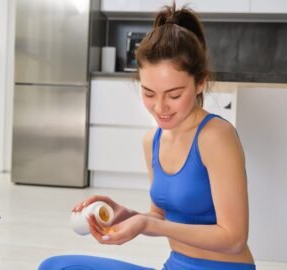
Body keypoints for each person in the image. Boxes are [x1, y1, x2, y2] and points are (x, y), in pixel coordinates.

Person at [39, 2, 255, 270]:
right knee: (56, 266)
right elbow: (159, 216)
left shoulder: (216, 136)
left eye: (174, 95)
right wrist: (125, 215)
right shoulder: (152, 141)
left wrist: (149, 223)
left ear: (200, 82)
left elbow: (234, 239)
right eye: (149, 93)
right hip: (174, 265)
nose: (160, 108)